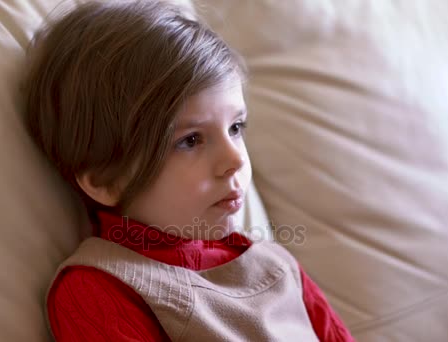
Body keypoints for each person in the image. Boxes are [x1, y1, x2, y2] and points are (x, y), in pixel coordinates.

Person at [24, 1, 354, 341]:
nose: (235, 160)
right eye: (191, 140)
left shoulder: (276, 264)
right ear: (103, 179)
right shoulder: (99, 289)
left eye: (236, 128)